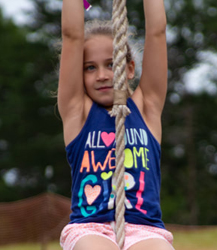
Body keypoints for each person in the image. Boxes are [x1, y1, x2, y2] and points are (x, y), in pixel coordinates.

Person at [57, 0, 173, 250]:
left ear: (130, 69)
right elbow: (71, 36)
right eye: (90, 68)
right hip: (90, 228)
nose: (102, 75)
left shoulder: (146, 107)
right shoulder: (78, 113)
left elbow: (157, 32)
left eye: (112, 64)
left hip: (146, 229)